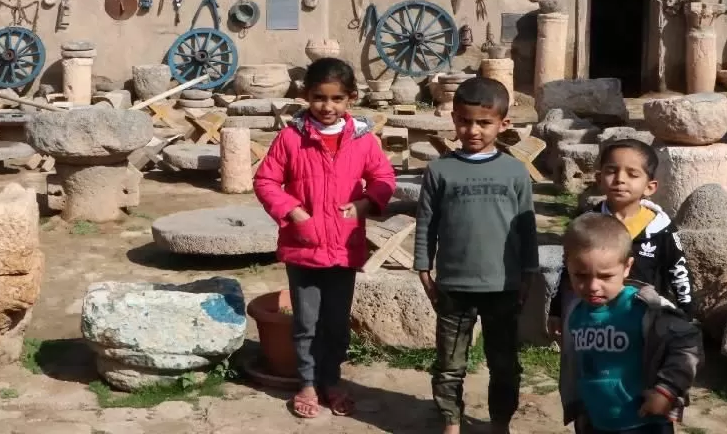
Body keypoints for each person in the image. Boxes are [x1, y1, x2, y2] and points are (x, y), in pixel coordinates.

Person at [254, 57, 395, 419]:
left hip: (345, 249)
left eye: (336, 99)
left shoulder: (363, 141)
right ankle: (305, 382)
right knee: (306, 322)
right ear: (305, 96)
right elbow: (266, 181)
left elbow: (384, 179)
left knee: (335, 321)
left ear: (351, 98)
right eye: (319, 98)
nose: (327, 107)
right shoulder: (291, 138)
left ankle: (331, 380)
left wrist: (365, 204)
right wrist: (293, 212)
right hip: (303, 248)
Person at [413, 77, 539, 434]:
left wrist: (528, 275)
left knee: (504, 365)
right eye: (464, 121)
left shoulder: (515, 171)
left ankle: (500, 423)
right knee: (450, 364)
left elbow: (527, 228)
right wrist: (424, 268)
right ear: (453, 118)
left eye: (484, 123)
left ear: (504, 123)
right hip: (453, 285)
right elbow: (426, 223)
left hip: (503, 286)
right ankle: (451, 423)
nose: (473, 130)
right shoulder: (439, 170)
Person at [558, 213, 702, 433]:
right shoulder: (575, 313)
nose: (593, 286)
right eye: (581, 275)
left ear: (627, 267)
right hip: (596, 424)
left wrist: (667, 391)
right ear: (567, 265)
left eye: (605, 276)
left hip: (645, 425)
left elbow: (689, 343)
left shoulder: (646, 309)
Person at [548, 139, 693, 340]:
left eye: (632, 174)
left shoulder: (662, 229)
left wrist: (686, 314)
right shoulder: (586, 224)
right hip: (591, 319)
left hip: (642, 320)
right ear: (599, 179)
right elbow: (567, 268)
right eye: (611, 171)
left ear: (650, 187)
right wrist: (556, 310)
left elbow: (678, 271)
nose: (620, 179)